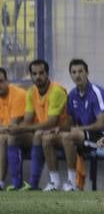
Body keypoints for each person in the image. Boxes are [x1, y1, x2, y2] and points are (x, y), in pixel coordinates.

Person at [49, 58, 104, 191]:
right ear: (70, 75)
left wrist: (78, 129)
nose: (77, 75)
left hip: (102, 137)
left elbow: (102, 123)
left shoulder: (96, 92)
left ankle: (72, 183)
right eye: (73, 72)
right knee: (46, 138)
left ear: (87, 73)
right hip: (82, 136)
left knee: (69, 136)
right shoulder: (72, 95)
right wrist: (59, 128)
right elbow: (70, 122)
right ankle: (54, 182)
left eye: (80, 71)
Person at [2, 59, 67, 190]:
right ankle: (16, 184)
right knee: (12, 137)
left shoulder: (56, 91)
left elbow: (51, 122)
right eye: (34, 74)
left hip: (60, 132)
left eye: (41, 73)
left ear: (47, 74)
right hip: (39, 133)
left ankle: (33, 184)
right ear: (31, 76)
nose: (38, 77)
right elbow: (28, 119)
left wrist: (21, 128)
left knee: (37, 135)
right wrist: (17, 130)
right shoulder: (31, 92)